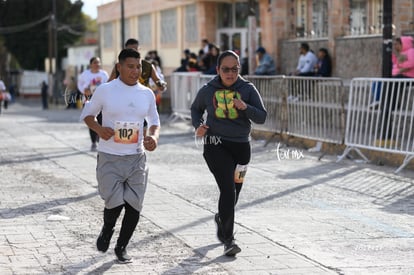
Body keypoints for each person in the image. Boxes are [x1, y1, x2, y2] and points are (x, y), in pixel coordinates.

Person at [80, 48, 160, 263]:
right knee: (114, 203)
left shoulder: (146, 93)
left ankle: (121, 247)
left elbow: (154, 122)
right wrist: (98, 129)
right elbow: (87, 115)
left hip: (136, 158)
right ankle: (107, 229)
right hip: (109, 157)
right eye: (130, 66)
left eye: (138, 67)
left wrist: (153, 137)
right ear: (119, 67)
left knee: (134, 205)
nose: (135, 71)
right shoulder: (105, 90)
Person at [190, 50, 267, 256]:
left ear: (239, 69)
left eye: (234, 69)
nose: (230, 73)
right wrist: (198, 125)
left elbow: (262, 117)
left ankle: (222, 218)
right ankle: (228, 240)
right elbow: (195, 109)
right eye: (226, 69)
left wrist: (246, 107)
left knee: (235, 191)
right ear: (218, 70)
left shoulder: (247, 89)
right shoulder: (208, 89)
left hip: (241, 146)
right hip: (215, 144)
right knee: (228, 189)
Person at [77, 57, 109, 151]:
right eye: (95, 62)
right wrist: (84, 90)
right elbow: (80, 85)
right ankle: (93, 142)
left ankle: (101, 139)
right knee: (91, 120)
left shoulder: (104, 74)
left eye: (99, 63)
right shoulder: (85, 74)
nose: (97, 64)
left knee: (101, 120)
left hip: (102, 99)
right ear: (91, 64)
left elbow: (108, 84)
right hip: (89, 99)